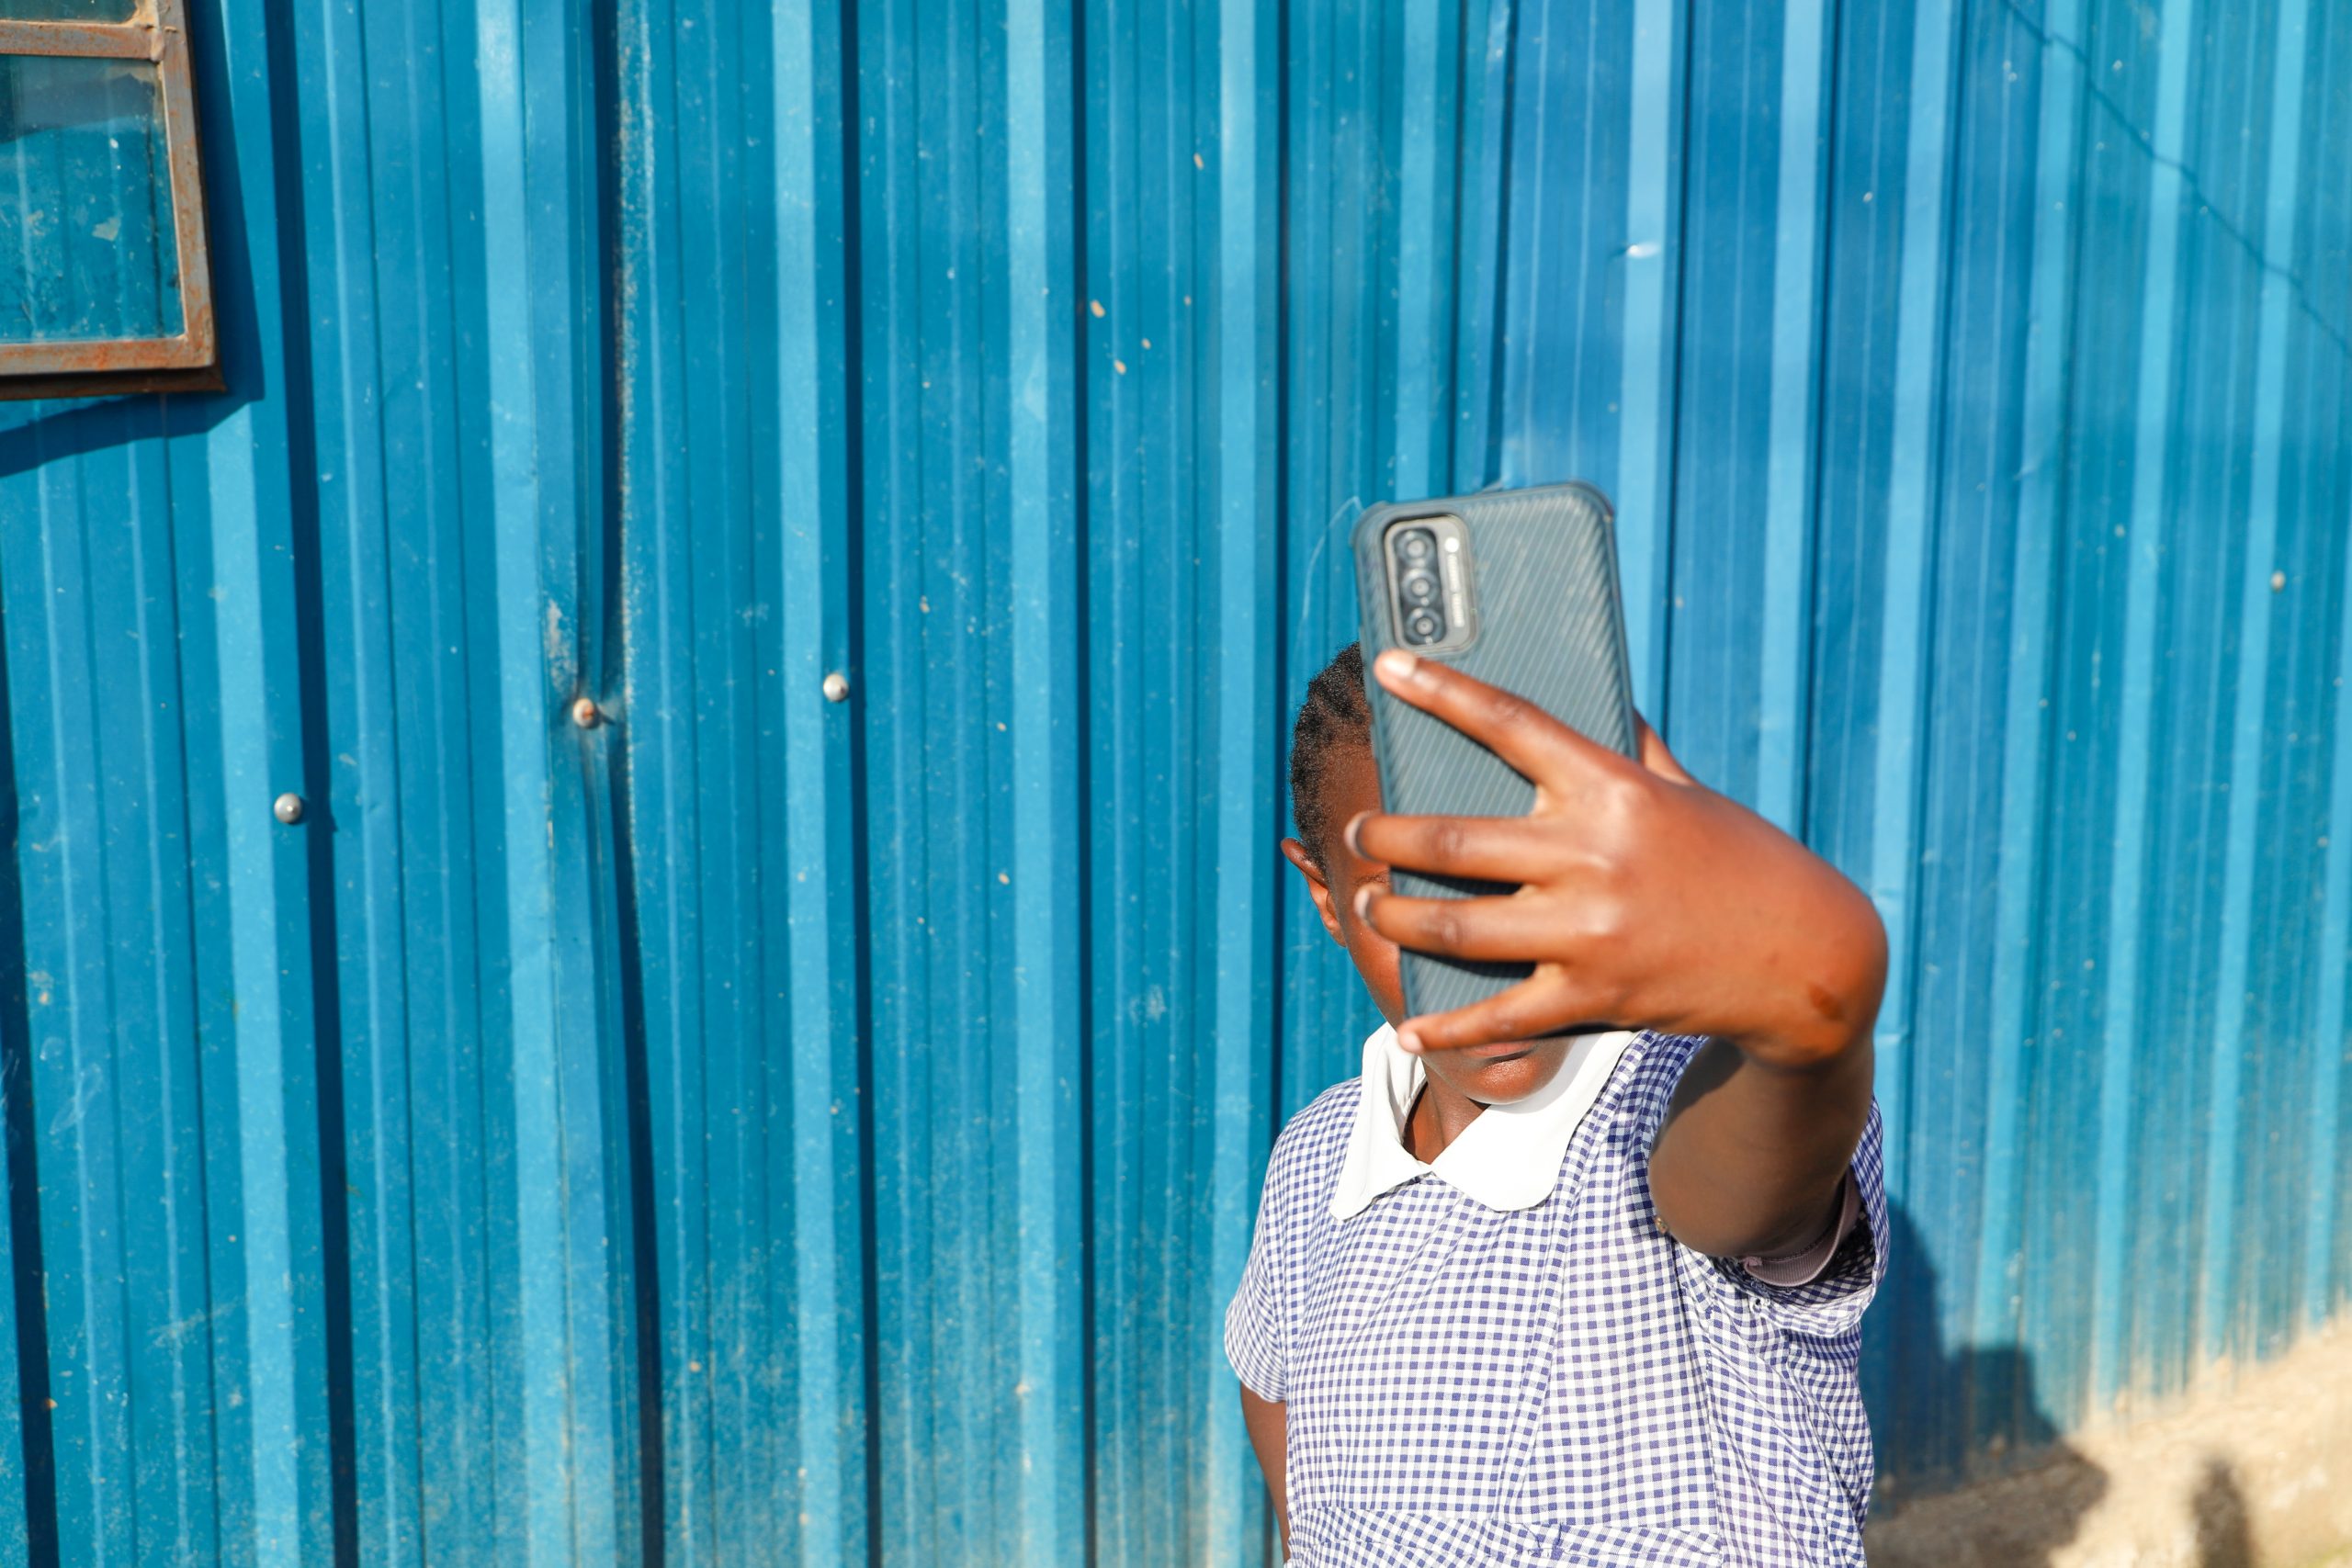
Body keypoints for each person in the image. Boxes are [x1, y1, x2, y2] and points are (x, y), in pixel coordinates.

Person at [1227, 641, 1888, 1567]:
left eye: (1530, 888)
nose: (1487, 954)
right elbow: (1271, 1370)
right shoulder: (1320, 1151)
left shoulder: (1682, 1091)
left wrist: (1810, 1000)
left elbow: (1734, 1195)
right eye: (1416, 900)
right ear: (1328, 899)